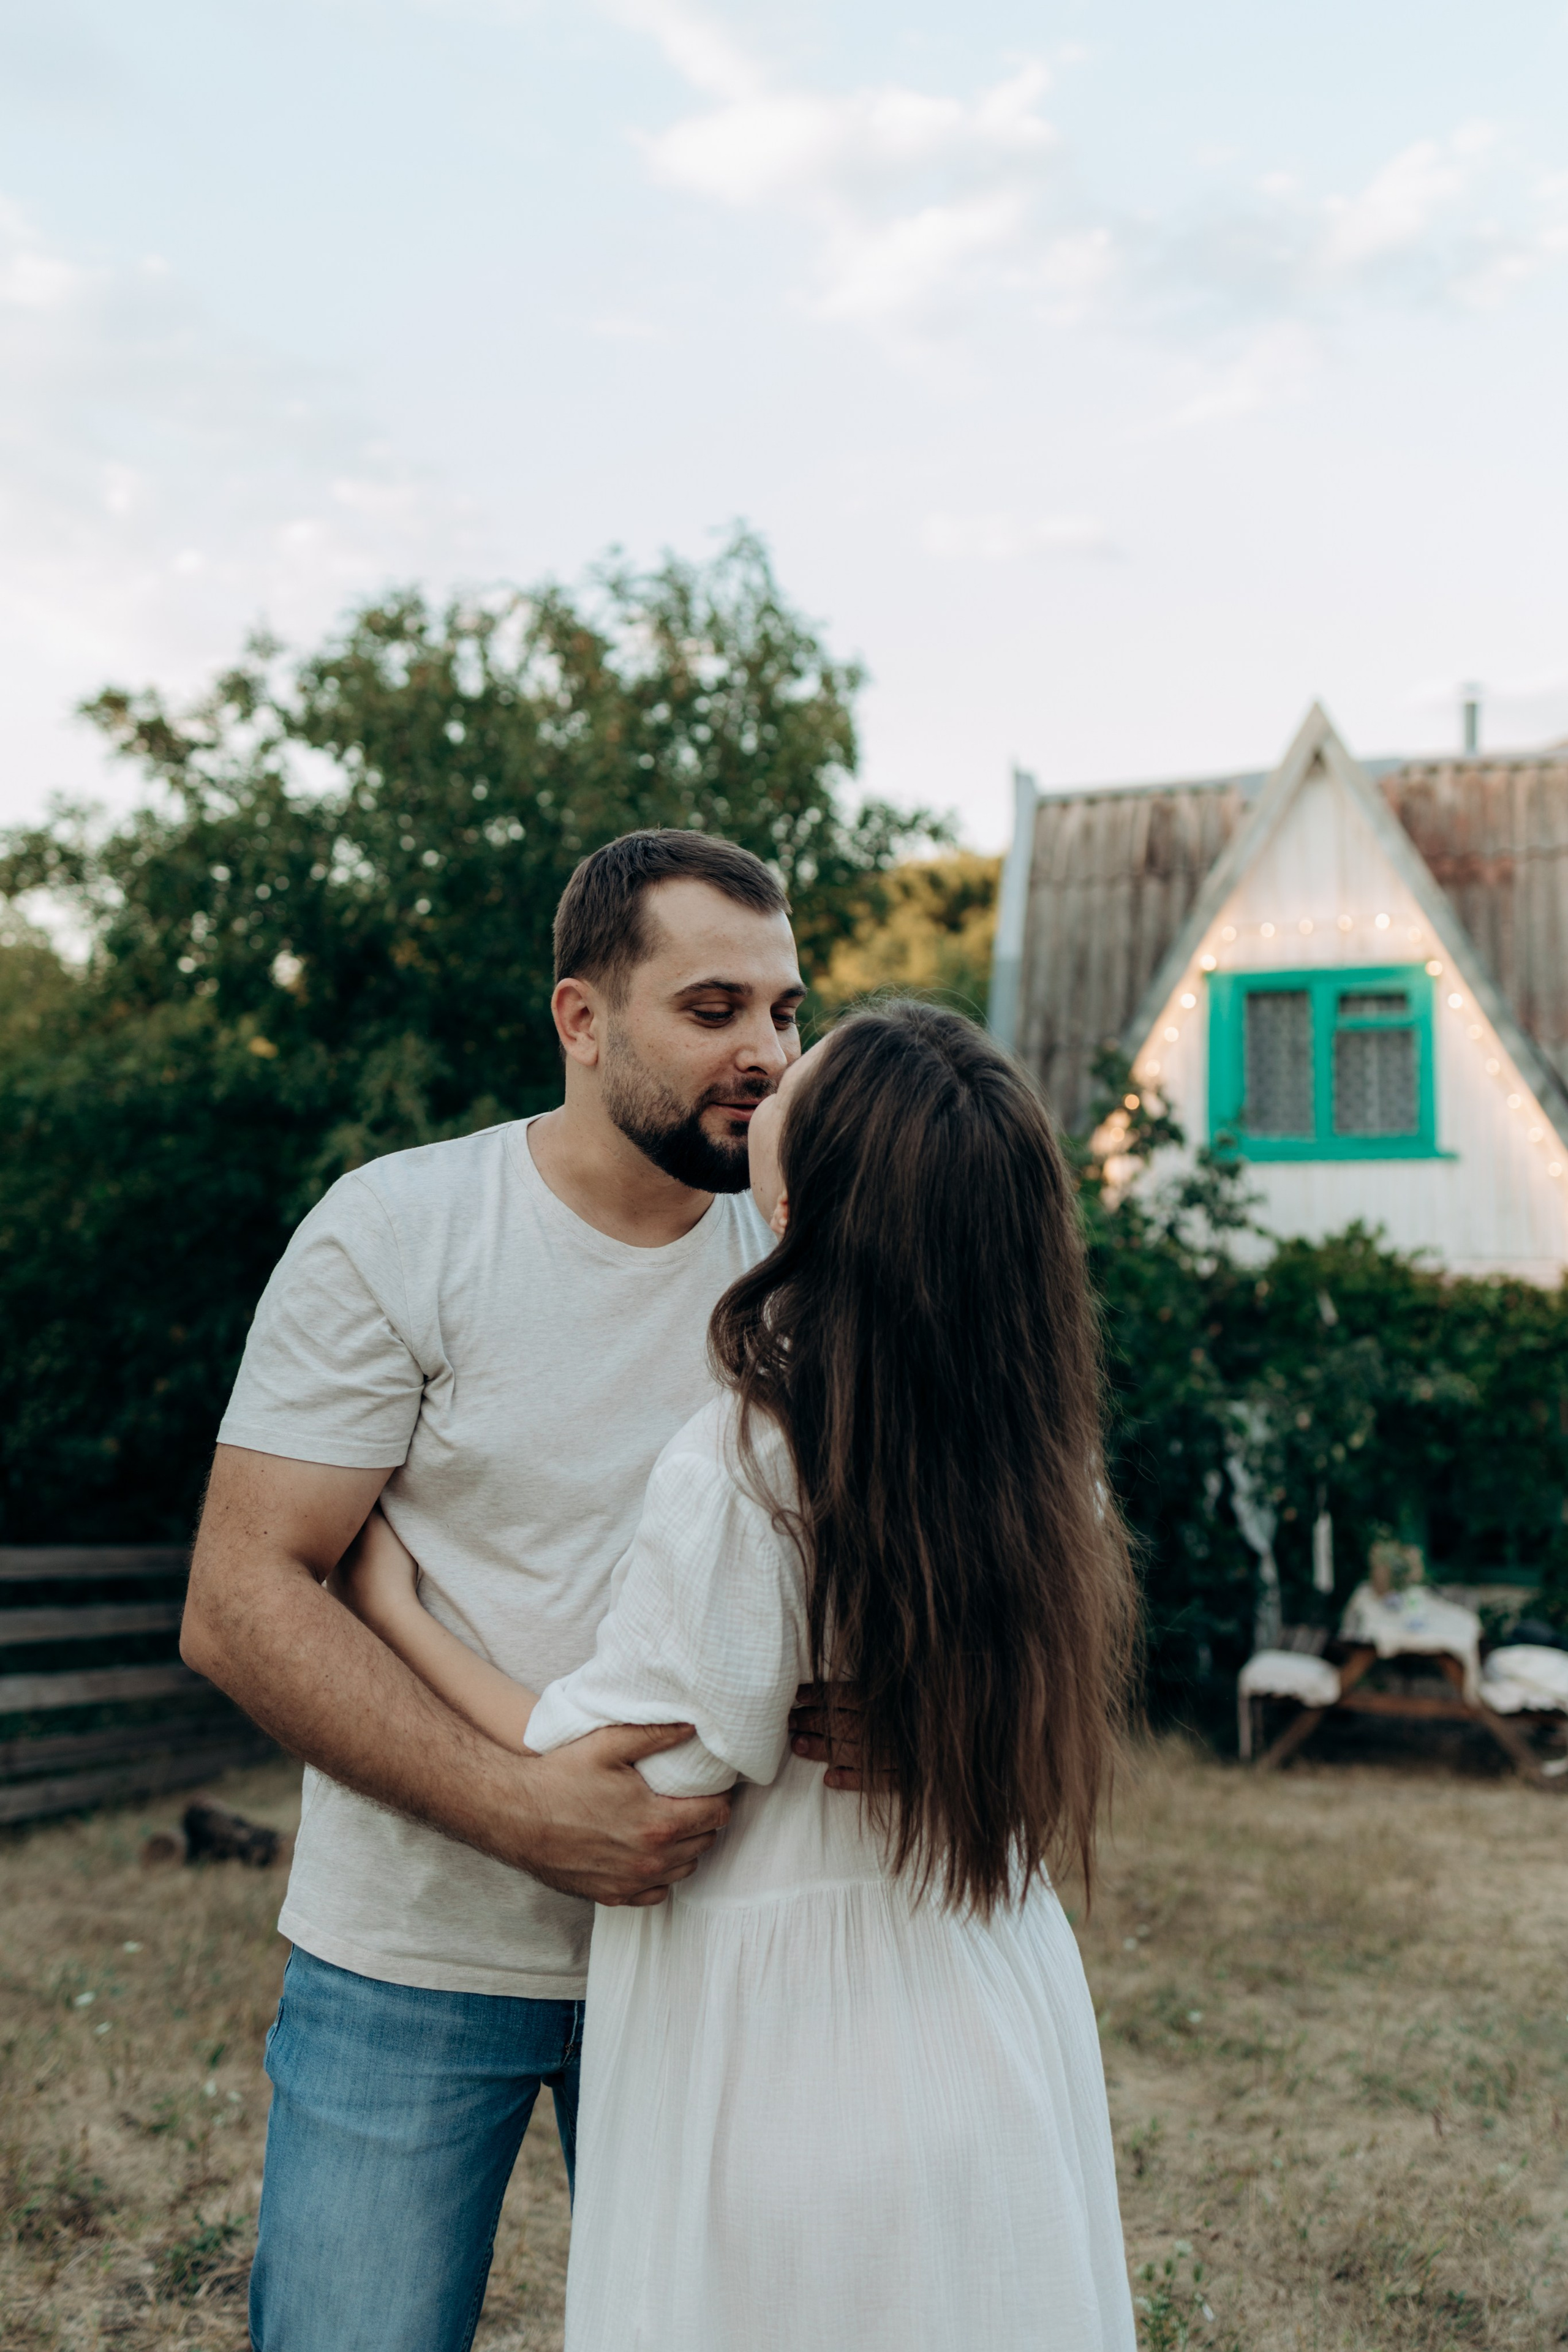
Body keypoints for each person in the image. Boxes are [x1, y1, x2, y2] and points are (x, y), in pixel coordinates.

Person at [342, 1000, 1140, 2352]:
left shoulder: (752, 1460)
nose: (767, 1069)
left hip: (803, 2035)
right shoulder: (1038, 1449)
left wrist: (391, 1608)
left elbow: (637, 1763)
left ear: (800, 1195)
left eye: (796, 1075)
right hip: (986, 2001)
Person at [179, 829, 815, 2352]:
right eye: (713, 1010)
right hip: (412, 1953)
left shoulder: (812, 1256)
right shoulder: (402, 1229)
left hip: (720, 1948)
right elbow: (240, 1596)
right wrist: (519, 1810)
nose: (768, 1055)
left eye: (786, 1013)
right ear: (581, 1021)